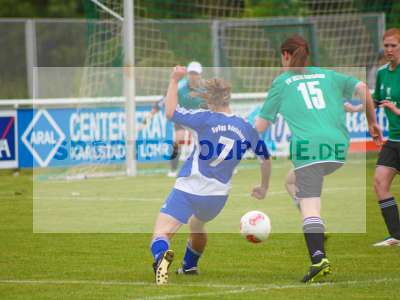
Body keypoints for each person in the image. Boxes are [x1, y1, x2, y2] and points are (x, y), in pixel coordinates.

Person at [255, 34, 382, 283]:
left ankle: (318, 258)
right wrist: (371, 122)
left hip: (309, 149)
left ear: (286, 55)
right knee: (290, 182)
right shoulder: (329, 75)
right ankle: (316, 229)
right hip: (336, 149)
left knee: (310, 207)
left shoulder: (282, 82)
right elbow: (364, 91)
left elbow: (260, 125)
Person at [150, 66, 271, 285]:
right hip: (217, 197)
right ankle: (189, 267)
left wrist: (174, 80)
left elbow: (170, 112)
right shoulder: (245, 127)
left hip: (190, 187)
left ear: (210, 99)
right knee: (197, 226)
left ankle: (160, 259)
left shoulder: (204, 118)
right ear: (228, 98)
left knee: (162, 232)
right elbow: (266, 158)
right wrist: (263, 188)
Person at [372, 28, 400, 247]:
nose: (389, 50)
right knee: (380, 182)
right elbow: (376, 101)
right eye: (386, 45)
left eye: (394, 46)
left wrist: (397, 110)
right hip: (394, 140)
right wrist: (353, 108)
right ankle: (396, 236)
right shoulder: (382, 73)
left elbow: (391, 106)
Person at [168, 61, 206, 178]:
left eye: (195, 73)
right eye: (191, 73)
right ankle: (173, 168)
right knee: (178, 140)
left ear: (200, 75)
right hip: (183, 117)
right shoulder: (180, 87)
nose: (193, 76)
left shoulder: (206, 89)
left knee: (206, 141)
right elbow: (171, 101)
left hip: (199, 118)